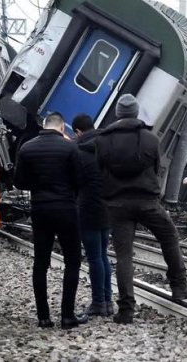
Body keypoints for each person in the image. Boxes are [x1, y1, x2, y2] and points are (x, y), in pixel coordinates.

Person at [96, 94, 187, 324]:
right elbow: (157, 167)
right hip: (147, 202)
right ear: (136, 113)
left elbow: (100, 170)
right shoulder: (150, 139)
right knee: (169, 237)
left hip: (117, 205)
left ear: (118, 114)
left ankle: (126, 310)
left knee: (124, 256)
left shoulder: (102, 140)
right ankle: (179, 288)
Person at [14, 112, 87, 329]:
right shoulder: (71, 147)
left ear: (43, 126)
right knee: (72, 261)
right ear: (62, 128)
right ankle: (67, 315)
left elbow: (19, 182)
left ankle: (43, 317)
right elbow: (80, 180)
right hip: (66, 208)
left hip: (40, 209)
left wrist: (38, 186)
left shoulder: (27, 148)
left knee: (41, 262)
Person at [72, 113, 113, 318]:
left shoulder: (79, 151)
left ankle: (98, 302)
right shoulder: (107, 145)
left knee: (94, 257)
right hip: (108, 206)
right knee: (103, 255)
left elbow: (76, 182)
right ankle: (108, 301)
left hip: (88, 207)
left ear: (78, 131)